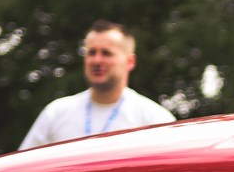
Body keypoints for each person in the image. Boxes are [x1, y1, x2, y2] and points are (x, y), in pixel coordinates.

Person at [18, 20, 176, 150]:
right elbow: (22, 169)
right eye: (91, 52)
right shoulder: (55, 113)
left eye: (106, 53)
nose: (97, 60)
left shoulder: (156, 120)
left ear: (130, 61)